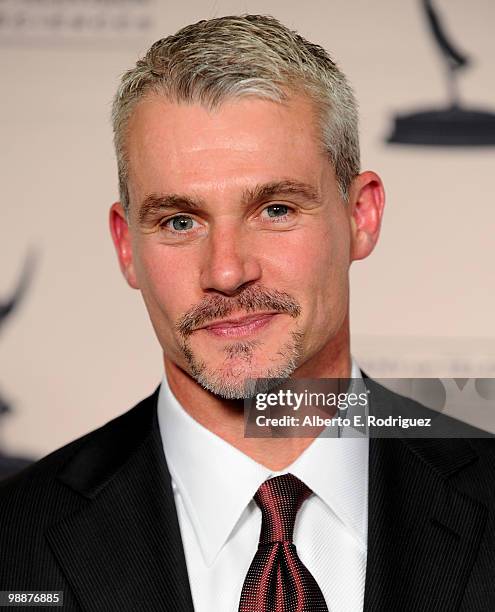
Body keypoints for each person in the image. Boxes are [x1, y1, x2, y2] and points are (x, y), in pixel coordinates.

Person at [1, 14, 494, 612]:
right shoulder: (13, 541)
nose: (227, 272)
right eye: (179, 222)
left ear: (360, 217)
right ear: (126, 247)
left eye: (276, 209)